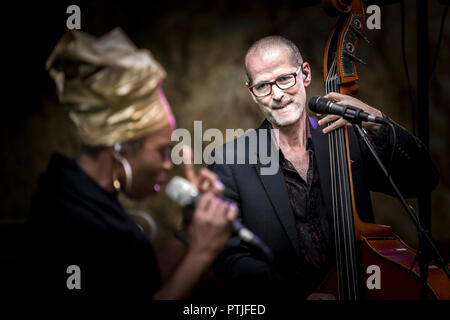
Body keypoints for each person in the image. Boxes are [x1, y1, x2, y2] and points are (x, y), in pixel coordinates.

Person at [208, 36, 439, 299]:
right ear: (252, 93)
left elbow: (423, 179)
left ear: (305, 74)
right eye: (263, 86)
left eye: (285, 79)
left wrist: (378, 122)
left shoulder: (347, 139)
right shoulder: (229, 162)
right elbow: (229, 258)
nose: (277, 94)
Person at [26, 28, 237, 299]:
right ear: (119, 147)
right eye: (161, 152)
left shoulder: (81, 194)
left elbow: (135, 283)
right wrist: (202, 253)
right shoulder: (70, 222)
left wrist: (188, 231)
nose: (167, 164)